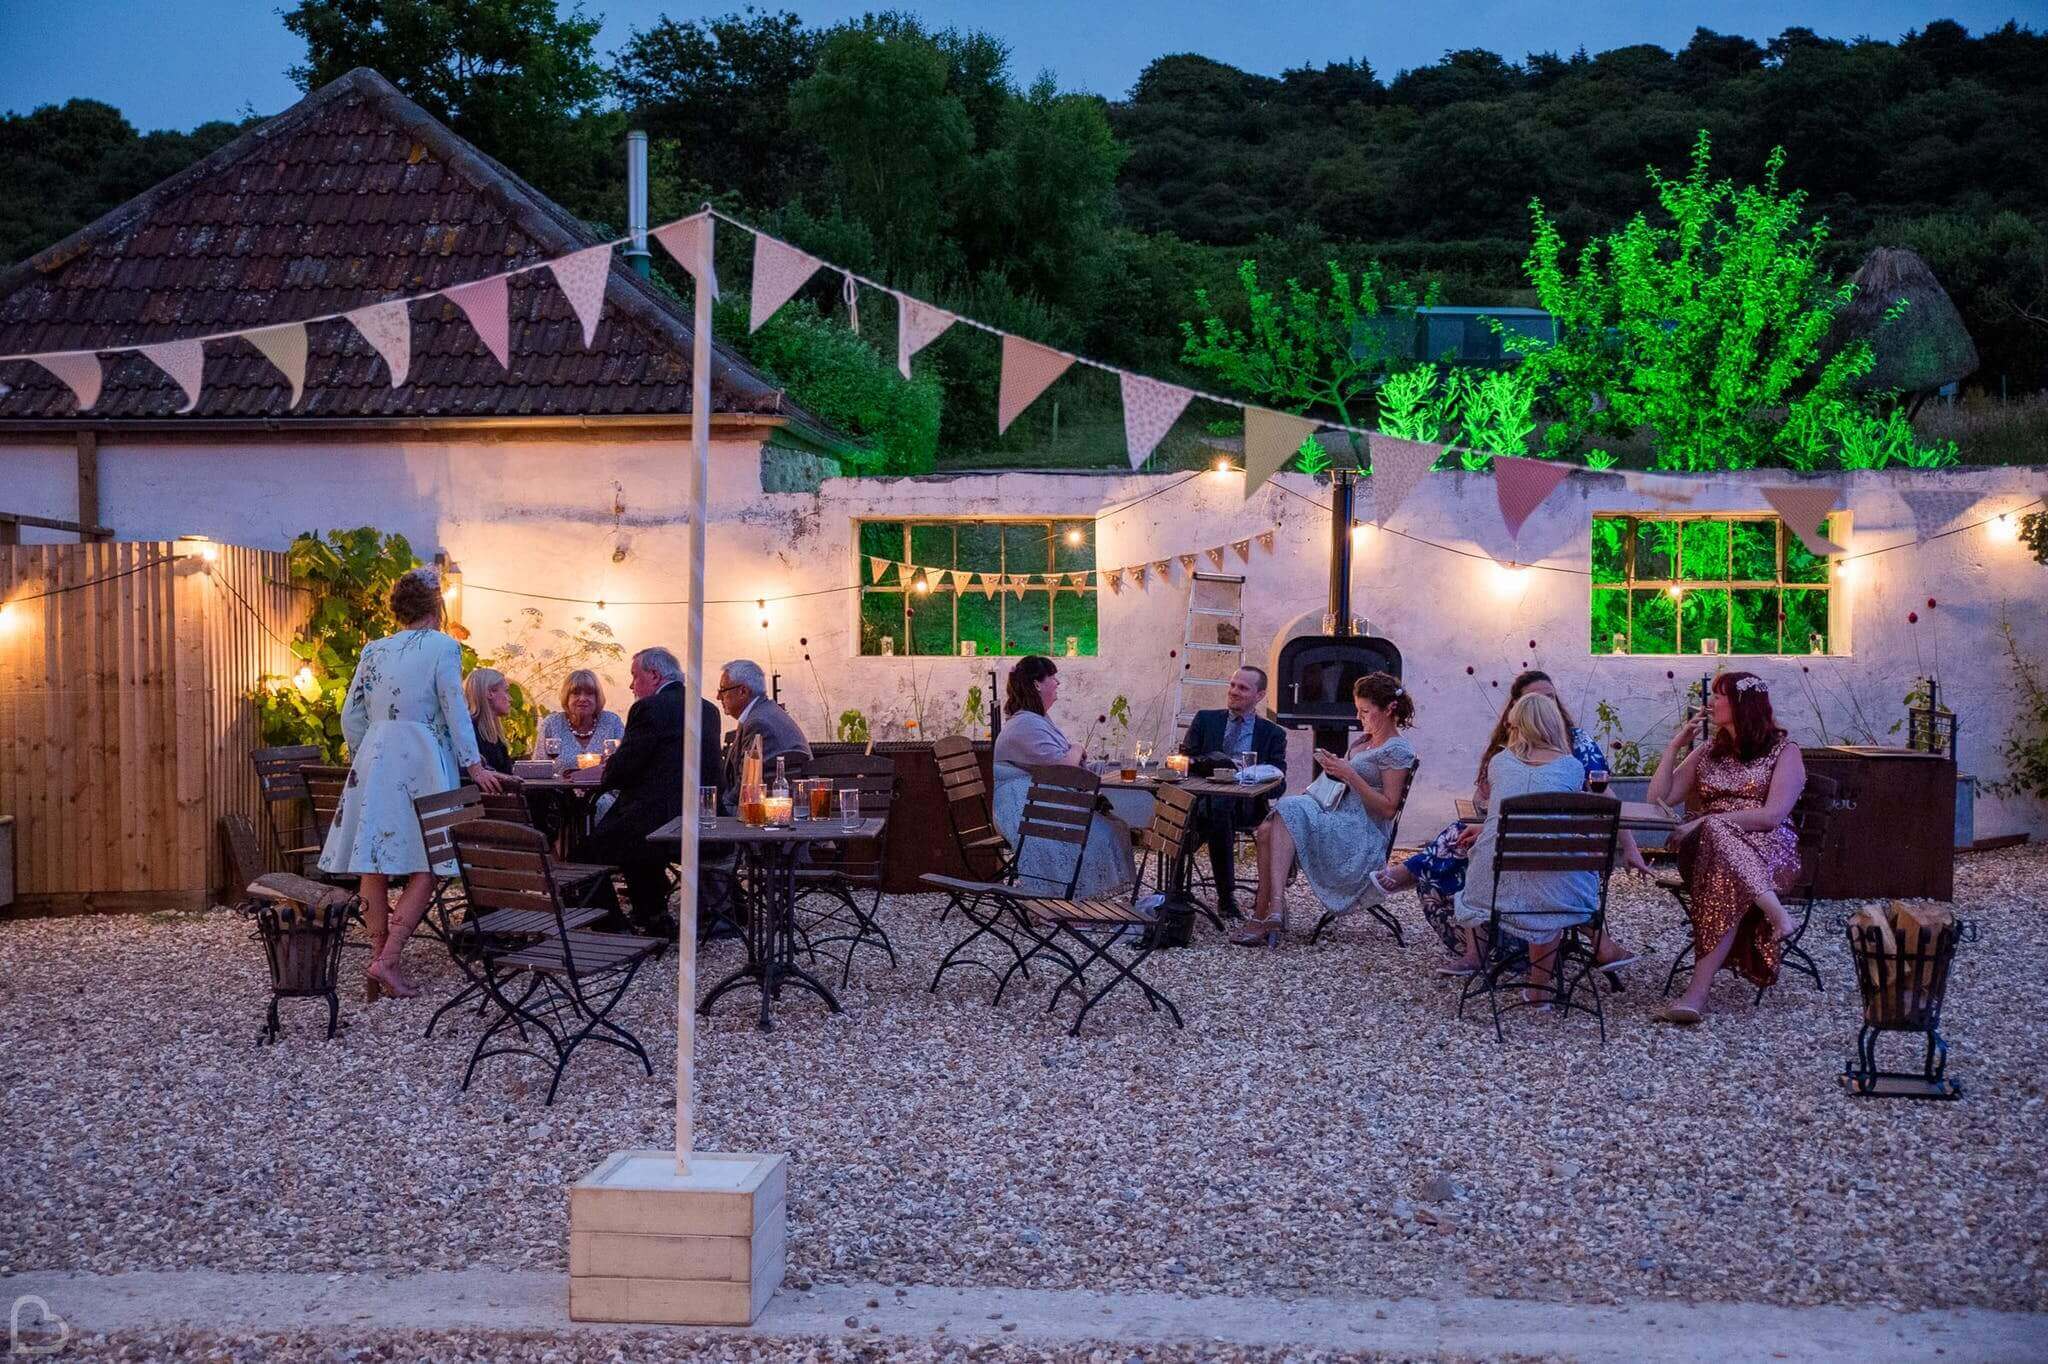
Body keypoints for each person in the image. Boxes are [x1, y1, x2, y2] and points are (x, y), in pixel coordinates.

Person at [1369, 670, 1649, 972]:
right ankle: (1594, 946)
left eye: (1550, 697)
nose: (1545, 704)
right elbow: (1485, 798)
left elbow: (1605, 796)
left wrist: (1630, 846)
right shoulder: (1517, 749)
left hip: (1555, 845)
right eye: (1537, 698)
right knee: (1468, 840)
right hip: (1546, 850)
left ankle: (1425, 890)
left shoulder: (1572, 744)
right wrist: (1493, 820)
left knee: (1472, 850)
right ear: (1518, 706)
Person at [318, 567, 504, 1001]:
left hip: (375, 758)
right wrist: (474, 765)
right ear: (435, 606)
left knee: (373, 860)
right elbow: (453, 706)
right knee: (433, 859)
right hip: (423, 759)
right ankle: (387, 959)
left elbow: (351, 716)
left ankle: (378, 958)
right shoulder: (443, 646)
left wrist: (371, 752)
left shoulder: (374, 649)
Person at [1450, 692, 1639, 1002]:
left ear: (1516, 725)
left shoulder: (1499, 764)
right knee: (1550, 874)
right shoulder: (1572, 767)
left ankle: (1488, 964)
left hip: (1491, 888)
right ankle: (1539, 990)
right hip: (1558, 892)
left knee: (1535, 872)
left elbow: (1499, 813)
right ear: (1553, 725)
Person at [1648, 670, 1804, 1025]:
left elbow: (1772, 815)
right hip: (1706, 851)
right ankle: (1777, 914)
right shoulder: (1708, 751)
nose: (1711, 702)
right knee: (1717, 837)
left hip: (1770, 851)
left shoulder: (1785, 752)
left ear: (1741, 704)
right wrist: (1675, 746)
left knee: (1720, 864)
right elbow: (1658, 799)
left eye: (1720, 696)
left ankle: (1696, 995)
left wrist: (1703, 822)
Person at [1233, 671, 1416, 948]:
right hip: (1338, 815)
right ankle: (1268, 911)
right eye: (1357, 710)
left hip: (1360, 832)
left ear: (1389, 709)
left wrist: (1349, 774)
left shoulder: (1397, 750)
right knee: (1267, 828)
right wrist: (1337, 768)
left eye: (1365, 711)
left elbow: (1388, 809)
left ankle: (1270, 910)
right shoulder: (1367, 740)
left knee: (1284, 810)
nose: (1359, 717)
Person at [580, 647, 721, 932]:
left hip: (657, 823)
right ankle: (653, 916)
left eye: (635, 676)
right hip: (703, 819)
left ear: (654, 675)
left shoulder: (649, 708)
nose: (631, 685)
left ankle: (613, 926)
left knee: (584, 854)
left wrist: (603, 769)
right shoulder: (708, 709)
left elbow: (624, 769)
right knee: (629, 839)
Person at [991, 655, 1135, 898]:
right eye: (1053, 677)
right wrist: (1077, 748)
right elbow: (1065, 767)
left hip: (1036, 801)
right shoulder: (1025, 724)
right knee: (1102, 832)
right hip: (1022, 808)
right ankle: (1073, 897)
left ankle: (1083, 896)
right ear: (1037, 684)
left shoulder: (1034, 719)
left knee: (1113, 826)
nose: (1057, 683)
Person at [1176, 666, 1288, 918]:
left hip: (1246, 807)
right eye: (1232, 685)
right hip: (1202, 799)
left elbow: (1280, 784)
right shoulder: (1206, 720)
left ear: (1259, 695)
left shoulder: (1272, 734)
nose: (1234, 692)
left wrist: (1256, 776)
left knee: (1213, 811)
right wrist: (1215, 761)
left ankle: (1179, 889)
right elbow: (1183, 762)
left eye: (1243, 688)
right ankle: (1222, 898)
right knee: (1205, 808)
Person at [715, 659, 810, 809]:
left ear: (743, 691)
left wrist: (716, 808)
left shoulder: (758, 723)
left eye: (723, 690)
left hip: (768, 812)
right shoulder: (763, 712)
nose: (718, 697)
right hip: (776, 808)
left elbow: (745, 787)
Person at [536, 669, 625, 772]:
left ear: (597, 698)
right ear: (567, 697)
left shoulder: (612, 723)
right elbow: (538, 769)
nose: (582, 698)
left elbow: (627, 764)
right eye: (575, 693)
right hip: (559, 783)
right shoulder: (551, 724)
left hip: (604, 783)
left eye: (589, 693)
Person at [463, 666, 515, 774]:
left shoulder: (493, 735)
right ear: (490, 693)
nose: (510, 699)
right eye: (506, 691)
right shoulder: (469, 733)